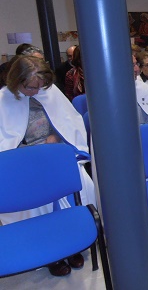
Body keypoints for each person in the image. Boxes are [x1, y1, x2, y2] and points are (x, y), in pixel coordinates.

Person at [0, 56, 96, 277]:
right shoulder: (4, 99)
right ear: (17, 81)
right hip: (23, 161)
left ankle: (73, 242)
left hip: (55, 152)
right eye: (30, 87)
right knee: (33, 198)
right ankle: (50, 253)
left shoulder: (49, 91)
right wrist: (28, 150)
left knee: (82, 183)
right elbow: (5, 141)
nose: (36, 91)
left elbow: (69, 122)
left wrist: (54, 136)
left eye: (39, 86)